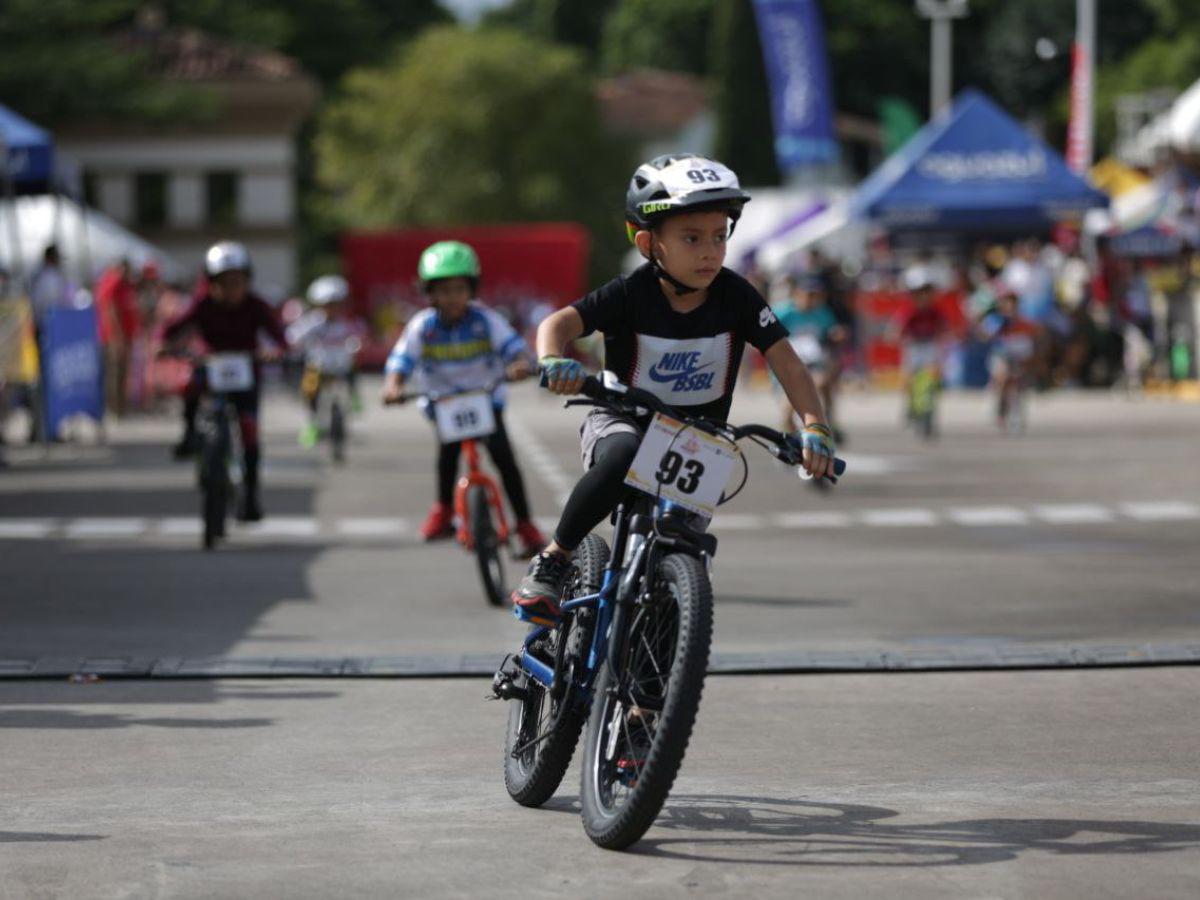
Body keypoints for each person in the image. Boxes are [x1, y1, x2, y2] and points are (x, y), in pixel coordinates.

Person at [512, 154, 835, 623]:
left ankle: (649, 697)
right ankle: (555, 559)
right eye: (691, 238)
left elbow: (786, 360)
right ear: (649, 242)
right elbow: (558, 324)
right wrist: (552, 360)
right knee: (623, 453)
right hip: (622, 419)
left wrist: (816, 426)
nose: (710, 251)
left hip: (697, 438)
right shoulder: (629, 293)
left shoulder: (738, 297)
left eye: (720, 236)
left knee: (678, 573)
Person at [381, 240, 546, 557]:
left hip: (485, 400)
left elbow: (514, 349)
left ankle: (525, 526)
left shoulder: (486, 320)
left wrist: (518, 366)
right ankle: (442, 511)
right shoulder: (422, 326)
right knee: (447, 455)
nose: (452, 298)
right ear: (430, 293)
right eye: (443, 290)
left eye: (459, 289)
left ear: (471, 289)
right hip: (443, 402)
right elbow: (401, 360)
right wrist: (393, 386)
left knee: (504, 459)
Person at [160, 241, 288, 521]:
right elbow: (172, 329)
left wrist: (276, 351)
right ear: (211, 283)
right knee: (189, 384)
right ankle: (190, 434)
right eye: (223, 283)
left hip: (246, 375)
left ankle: (251, 497)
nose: (230, 289)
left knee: (250, 434)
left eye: (237, 282)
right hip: (210, 367)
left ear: (247, 281)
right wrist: (163, 344)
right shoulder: (201, 304)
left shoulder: (256, 306)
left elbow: (279, 337)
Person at [289, 274, 367, 448]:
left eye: (336, 304)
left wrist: (359, 344)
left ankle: (355, 397)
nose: (332, 309)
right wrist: (297, 345)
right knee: (309, 391)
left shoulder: (347, 323)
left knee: (352, 372)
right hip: (318, 367)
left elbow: (361, 335)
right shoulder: (313, 322)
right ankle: (313, 424)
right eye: (328, 305)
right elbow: (294, 336)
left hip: (341, 365)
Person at [771, 272, 847, 440]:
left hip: (813, 363)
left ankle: (829, 420)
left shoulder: (822, 312)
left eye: (816, 295)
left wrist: (837, 334)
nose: (812, 299)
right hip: (788, 366)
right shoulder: (783, 312)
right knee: (787, 411)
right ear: (797, 293)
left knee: (822, 381)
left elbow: (831, 330)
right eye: (808, 294)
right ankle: (790, 440)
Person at [979, 284, 1038, 428]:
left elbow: (1034, 336)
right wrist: (995, 329)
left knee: (1020, 379)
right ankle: (999, 403)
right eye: (1006, 302)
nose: (1009, 305)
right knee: (1002, 374)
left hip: (1018, 358)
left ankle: (1016, 408)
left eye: (1012, 302)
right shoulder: (995, 320)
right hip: (1000, 356)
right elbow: (983, 335)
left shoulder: (1023, 321)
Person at [897, 266, 950, 421]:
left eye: (927, 292)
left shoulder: (935, 311)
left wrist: (946, 335)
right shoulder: (909, 311)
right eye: (920, 293)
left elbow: (944, 326)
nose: (924, 297)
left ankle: (930, 403)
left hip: (930, 344)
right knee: (909, 375)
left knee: (933, 373)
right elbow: (898, 328)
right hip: (913, 345)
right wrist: (897, 336)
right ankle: (909, 404)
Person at [94, 259, 142, 418]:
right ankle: (114, 409)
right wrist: (117, 337)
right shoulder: (113, 282)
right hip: (114, 338)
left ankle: (121, 409)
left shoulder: (126, 285)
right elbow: (110, 310)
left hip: (125, 337)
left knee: (122, 374)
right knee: (114, 374)